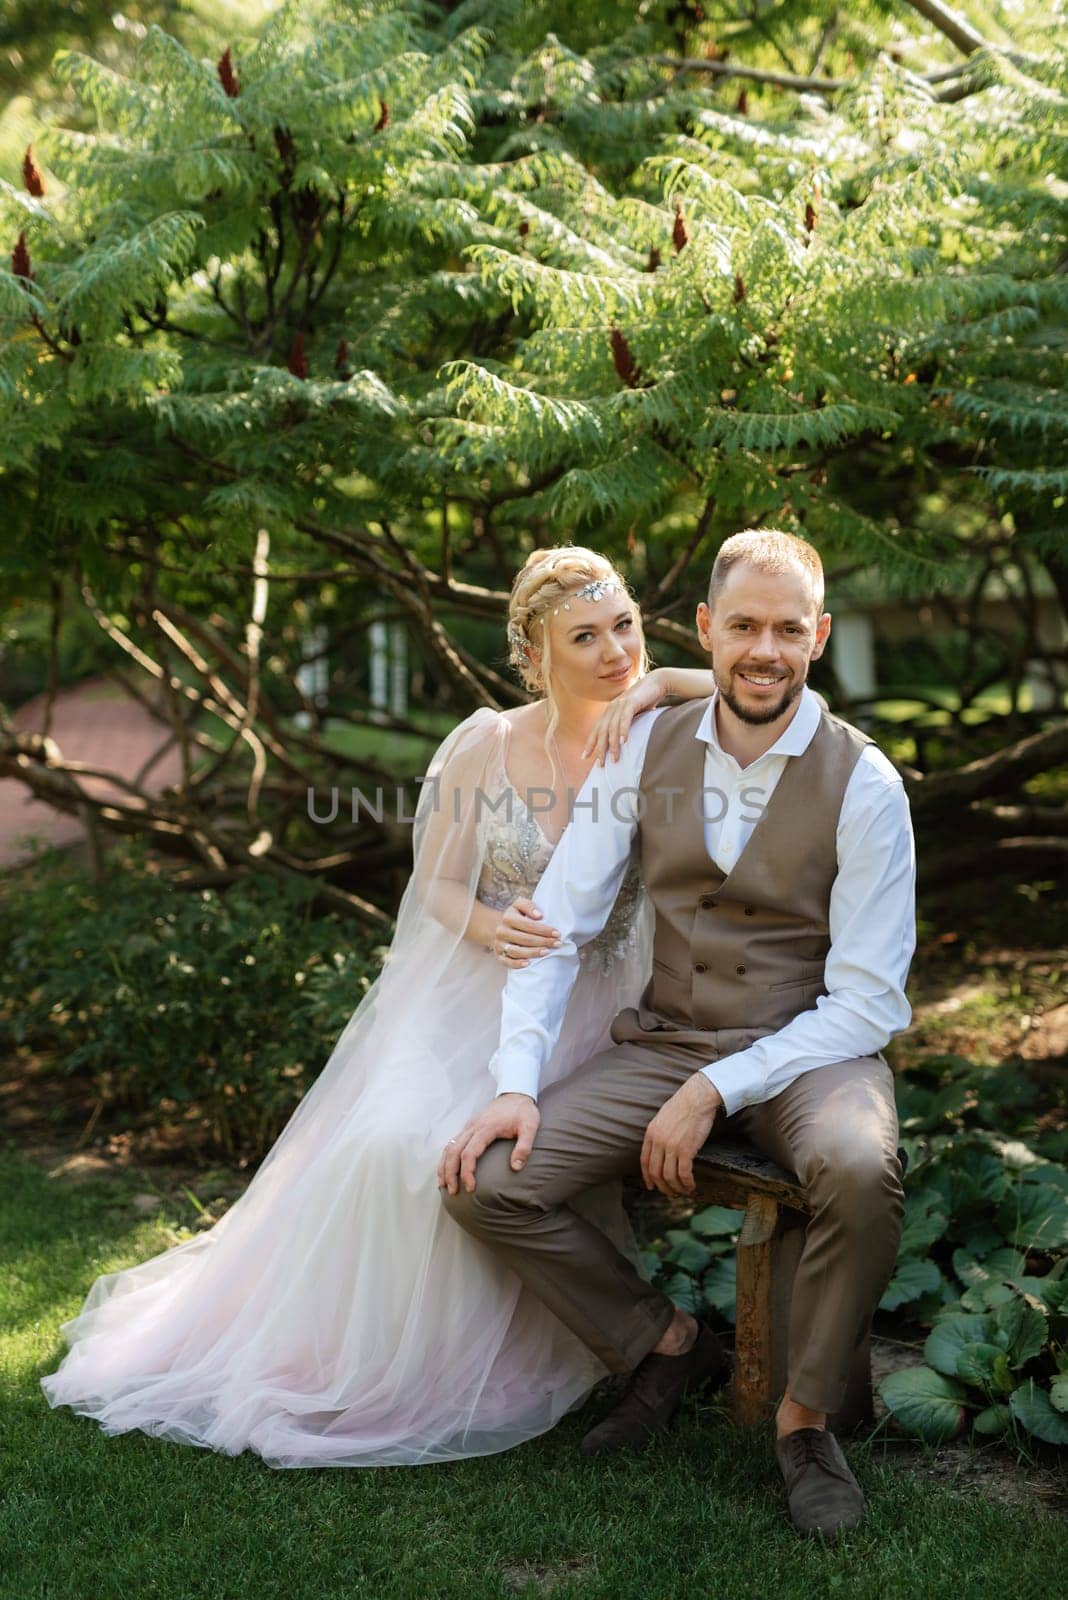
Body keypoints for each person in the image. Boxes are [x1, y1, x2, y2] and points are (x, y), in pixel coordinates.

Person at [41, 545, 719, 1468]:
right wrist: (494, 930)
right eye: (586, 637)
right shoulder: (486, 744)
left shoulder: (663, 732)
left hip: (597, 1010)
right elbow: (437, 887)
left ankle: (611, 1343)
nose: (616, 653)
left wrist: (664, 681)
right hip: (482, 992)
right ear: (537, 654)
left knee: (487, 1156)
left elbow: (773, 683)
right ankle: (358, 1358)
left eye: (627, 627)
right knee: (395, 1142)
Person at [440, 528, 916, 1535]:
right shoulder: (643, 744)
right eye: (743, 625)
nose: (764, 648)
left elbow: (870, 1001)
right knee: (492, 1182)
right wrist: (516, 1079)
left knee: (859, 1167)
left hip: (811, 1048)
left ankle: (804, 1421)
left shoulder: (866, 783)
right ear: (705, 630)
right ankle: (659, 1343)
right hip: (667, 1038)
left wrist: (717, 1090)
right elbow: (558, 924)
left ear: (819, 635)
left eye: (789, 628)